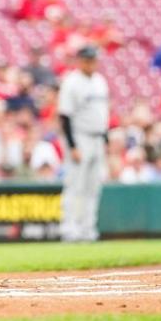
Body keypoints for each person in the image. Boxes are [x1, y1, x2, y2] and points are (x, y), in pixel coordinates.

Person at [59, 45, 110, 243]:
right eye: (87, 59)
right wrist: (72, 146)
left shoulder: (100, 81)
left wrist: (105, 139)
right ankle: (69, 229)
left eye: (94, 59)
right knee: (75, 185)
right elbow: (64, 116)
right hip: (80, 137)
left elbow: (102, 114)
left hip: (98, 137)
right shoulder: (72, 82)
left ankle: (88, 228)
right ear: (80, 60)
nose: (91, 63)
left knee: (93, 186)